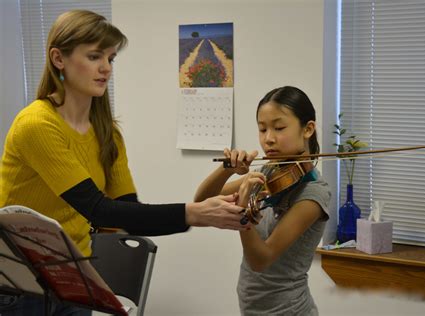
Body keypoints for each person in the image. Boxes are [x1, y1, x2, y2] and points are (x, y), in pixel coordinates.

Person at [0, 10, 247, 316]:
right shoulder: (36, 125)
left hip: (71, 279)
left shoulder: (107, 132)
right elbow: (97, 209)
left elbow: (126, 212)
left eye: (111, 58)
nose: (105, 68)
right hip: (20, 285)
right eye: (93, 56)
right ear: (58, 59)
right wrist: (194, 214)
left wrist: (205, 207)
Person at [195, 86, 331, 315]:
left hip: (288, 310)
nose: (268, 139)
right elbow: (201, 201)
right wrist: (228, 169)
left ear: (308, 129)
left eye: (279, 128)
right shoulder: (271, 172)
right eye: (262, 129)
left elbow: (261, 260)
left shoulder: (313, 194)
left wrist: (242, 213)